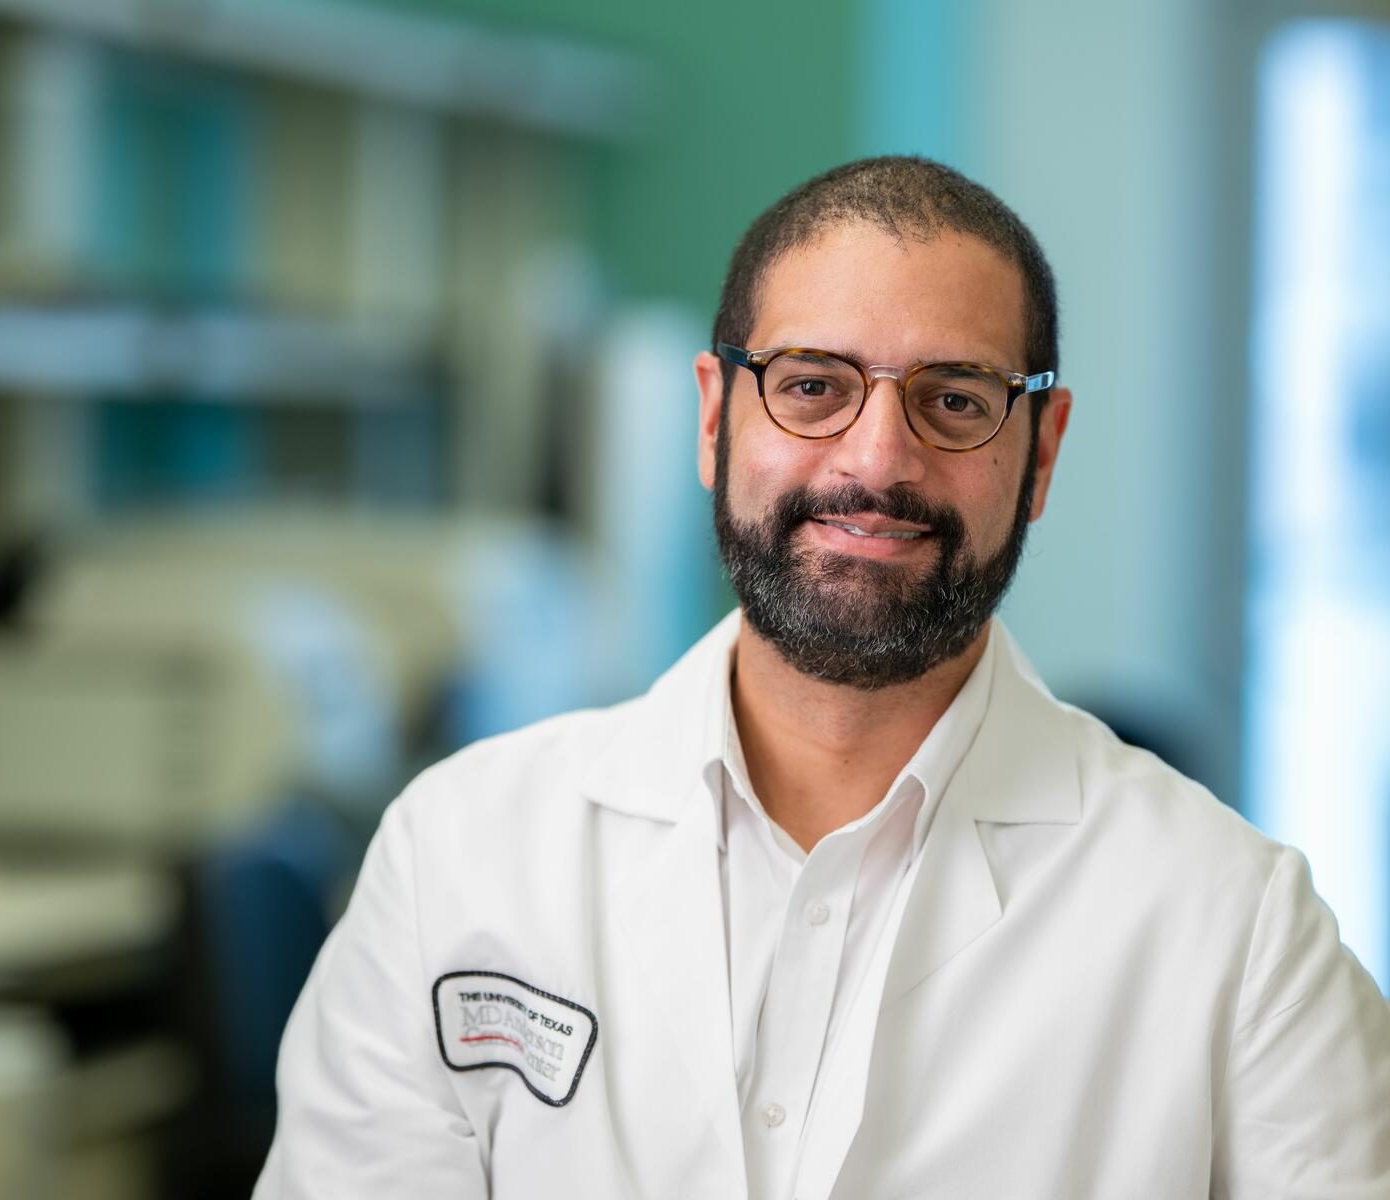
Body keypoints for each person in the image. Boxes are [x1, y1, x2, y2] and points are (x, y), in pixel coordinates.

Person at [253, 157, 1390, 1199]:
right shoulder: (460, 856)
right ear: (714, 417)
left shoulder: (1239, 936)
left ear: (1039, 452)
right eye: (811, 386)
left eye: (954, 399)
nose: (875, 460)